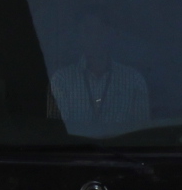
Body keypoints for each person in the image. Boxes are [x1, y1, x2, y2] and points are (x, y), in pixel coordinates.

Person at [49, 8, 151, 138]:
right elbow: (57, 135)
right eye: (88, 31)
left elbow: (141, 135)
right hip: (75, 155)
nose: (95, 37)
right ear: (79, 36)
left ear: (111, 35)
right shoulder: (61, 80)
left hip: (123, 154)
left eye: (100, 31)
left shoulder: (134, 80)